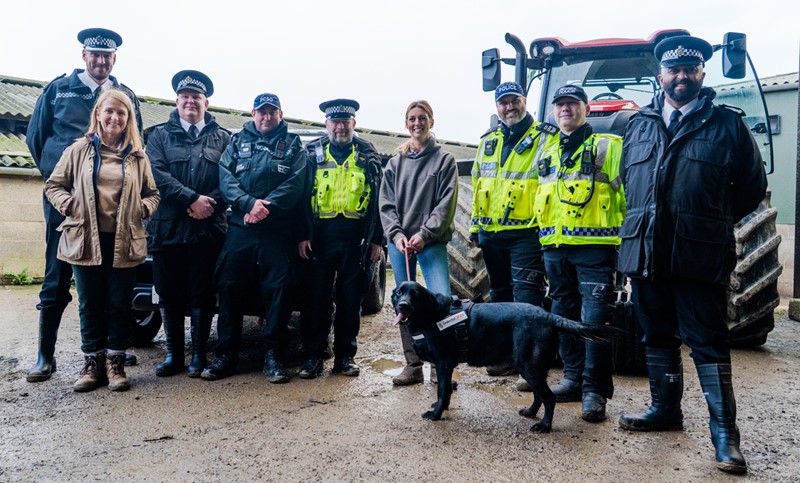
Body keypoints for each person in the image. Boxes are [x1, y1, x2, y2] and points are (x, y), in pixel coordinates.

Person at [617, 36, 766, 474]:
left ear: (701, 75)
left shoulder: (727, 125)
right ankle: (665, 411)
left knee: (708, 342)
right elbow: (631, 183)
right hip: (646, 251)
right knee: (656, 335)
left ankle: (726, 439)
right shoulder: (638, 124)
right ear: (660, 75)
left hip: (698, 256)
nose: (682, 77)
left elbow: (751, 189)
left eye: (691, 70)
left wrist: (707, 222)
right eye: (673, 70)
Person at [25, 27, 142, 383]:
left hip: (111, 205)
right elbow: (36, 139)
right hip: (69, 203)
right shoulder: (58, 90)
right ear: (84, 56)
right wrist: (62, 187)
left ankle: (109, 351)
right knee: (57, 272)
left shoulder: (124, 96)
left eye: (107, 56)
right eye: (95, 55)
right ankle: (46, 355)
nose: (101, 61)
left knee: (109, 276)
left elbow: (136, 143)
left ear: (114, 59)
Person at [44, 89, 159, 392]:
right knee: (90, 303)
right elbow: (54, 185)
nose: (115, 117)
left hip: (124, 239)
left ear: (128, 119)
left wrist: (143, 208)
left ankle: (116, 365)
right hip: (84, 238)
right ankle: (92, 365)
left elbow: (153, 193)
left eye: (121, 113)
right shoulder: (78, 150)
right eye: (109, 111)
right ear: (98, 113)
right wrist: (67, 204)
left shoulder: (137, 155)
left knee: (120, 303)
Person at [201, 93, 309, 383]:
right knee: (228, 286)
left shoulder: (294, 145)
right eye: (261, 112)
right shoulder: (237, 142)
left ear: (280, 114)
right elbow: (226, 178)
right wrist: (249, 205)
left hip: (276, 231)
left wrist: (265, 208)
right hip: (241, 228)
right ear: (253, 114)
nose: (266, 117)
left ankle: (274, 355)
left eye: (272, 112)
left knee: (280, 290)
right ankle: (226, 354)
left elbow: (296, 182)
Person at [533, 85, 625, 421]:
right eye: (560, 105)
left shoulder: (609, 146)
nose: (565, 110)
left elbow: (628, 193)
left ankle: (594, 391)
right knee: (563, 318)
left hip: (595, 249)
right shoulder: (547, 152)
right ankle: (572, 379)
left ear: (586, 108)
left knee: (595, 320)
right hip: (555, 249)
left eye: (572, 104)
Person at [469, 82, 558, 380]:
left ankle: (530, 364)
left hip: (527, 233)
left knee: (525, 298)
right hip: (491, 234)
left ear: (524, 101)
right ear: (497, 106)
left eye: (514, 101)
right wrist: (474, 227)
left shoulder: (545, 139)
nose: (509, 107)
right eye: (503, 102)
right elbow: (478, 183)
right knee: (499, 297)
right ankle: (506, 357)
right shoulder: (488, 141)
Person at [146, 71, 231, 378]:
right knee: (168, 293)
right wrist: (191, 198)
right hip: (168, 228)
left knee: (202, 293)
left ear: (206, 103)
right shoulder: (157, 135)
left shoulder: (223, 139)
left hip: (208, 231)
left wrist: (211, 204)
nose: (190, 102)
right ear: (177, 101)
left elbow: (232, 179)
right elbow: (155, 173)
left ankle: (198, 356)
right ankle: (173, 356)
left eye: (196, 98)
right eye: (185, 97)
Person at [296, 99, 383, 379]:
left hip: (356, 241)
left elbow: (380, 200)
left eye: (346, 121)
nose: (340, 126)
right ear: (326, 124)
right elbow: (299, 198)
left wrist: (377, 240)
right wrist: (301, 236)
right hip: (320, 239)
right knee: (316, 300)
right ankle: (314, 356)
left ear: (354, 124)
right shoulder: (312, 154)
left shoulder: (368, 154)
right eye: (335, 121)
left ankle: (345, 357)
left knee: (350, 302)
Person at [379, 100, 457, 385]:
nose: (417, 123)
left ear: (431, 122)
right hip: (400, 246)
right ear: (406, 123)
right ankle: (412, 365)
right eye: (412, 118)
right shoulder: (395, 164)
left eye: (422, 118)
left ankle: (440, 367)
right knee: (404, 305)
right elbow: (386, 205)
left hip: (431, 242)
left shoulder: (444, 161)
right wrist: (397, 235)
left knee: (441, 301)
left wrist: (425, 234)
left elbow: (446, 205)